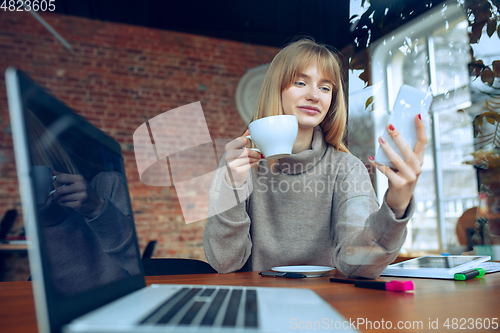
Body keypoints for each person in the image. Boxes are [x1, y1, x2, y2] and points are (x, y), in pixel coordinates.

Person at [203, 38, 426, 279]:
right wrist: (232, 187)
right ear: (276, 88)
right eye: (301, 82)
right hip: (255, 301)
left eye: (325, 87)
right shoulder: (238, 164)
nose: (314, 95)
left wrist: (396, 205)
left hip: (326, 303)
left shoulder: (346, 168)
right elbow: (225, 263)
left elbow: (359, 264)